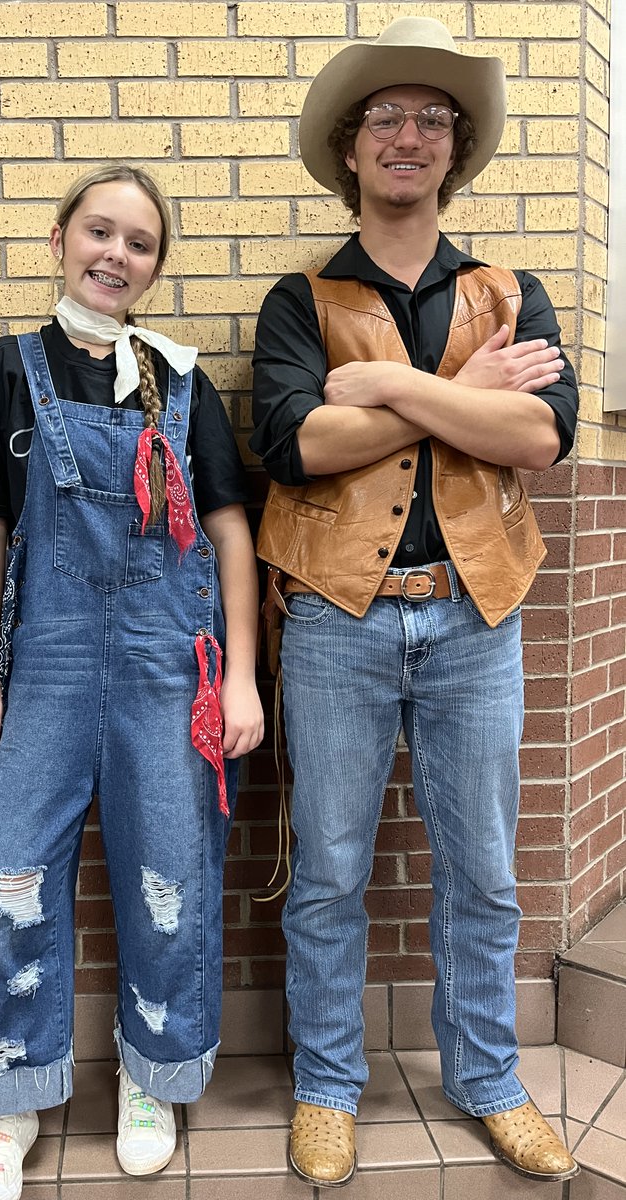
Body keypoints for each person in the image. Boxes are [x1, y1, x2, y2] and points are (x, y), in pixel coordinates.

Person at [250, 17, 579, 1188]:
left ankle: (489, 1081)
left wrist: (392, 382)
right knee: (330, 870)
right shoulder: (299, 300)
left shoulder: (512, 293)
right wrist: (462, 396)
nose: (409, 135)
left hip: (478, 614)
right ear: (351, 149)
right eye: (385, 117)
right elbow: (297, 445)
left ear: (456, 148)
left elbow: (537, 437)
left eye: (432, 119)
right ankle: (328, 1087)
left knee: (483, 869)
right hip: (336, 617)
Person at [0, 163, 264, 1200]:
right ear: (60, 239)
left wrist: (242, 678)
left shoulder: (182, 380)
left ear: (155, 267)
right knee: (6, 881)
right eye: (99, 231)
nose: (116, 254)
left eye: (140, 242)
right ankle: (8, 1100)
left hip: (170, 668)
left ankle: (151, 1076)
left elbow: (229, 530)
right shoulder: (5, 369)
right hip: (47, 665)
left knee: (170, 874)